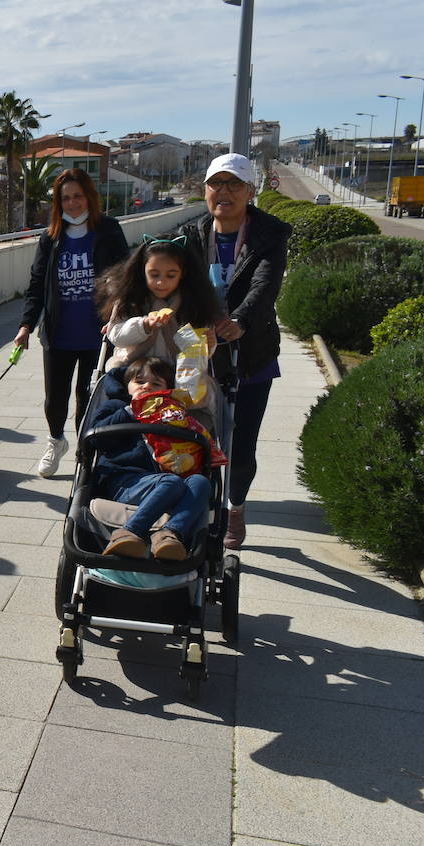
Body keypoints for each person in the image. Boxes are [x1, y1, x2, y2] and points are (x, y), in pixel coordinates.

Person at [178, 153, 291, 550]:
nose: (223, 192)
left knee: (241, 447)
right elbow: (165, 277)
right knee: (194, 439)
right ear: (205, 191)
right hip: (198, 354)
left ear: (250, 191)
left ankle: (236, 507)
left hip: (251, 353)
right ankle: (195, 508)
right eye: (216, 184)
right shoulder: (192, 234)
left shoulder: (269, 235)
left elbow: (265, 285)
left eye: (233, 184)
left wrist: (239, 321)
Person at [13, 168, 130, 478]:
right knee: (55, 398)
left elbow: (125, 274)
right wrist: (26, 325)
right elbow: (37, 284)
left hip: (99, 334)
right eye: (65, 198)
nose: (73, 203)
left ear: (89, 196)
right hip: (58, 332)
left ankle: (84, 451)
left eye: (78, 196)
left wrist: (122, 310)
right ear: (58, 202)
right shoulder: (50, 238)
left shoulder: (108, 230)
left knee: (88, 398)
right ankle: (55, 441)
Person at [93, 357, 212, 562]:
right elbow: (95, 439)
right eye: (140, 382)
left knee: (201, 481)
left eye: (156, 383)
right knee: (170, 481)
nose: (147, 386)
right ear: (126, 386)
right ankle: (129, 532)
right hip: (125, 481)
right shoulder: (116, 406)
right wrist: (131, 411)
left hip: (169, 482)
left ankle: (169, 534)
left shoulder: (174, 413)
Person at [98, 236, 220, 372]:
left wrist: (208, 344)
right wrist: (143, 325)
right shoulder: (130, 298)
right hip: (135, 372)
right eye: (154, 275)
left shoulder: (194, 302)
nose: (161, 282)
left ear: (182, 273)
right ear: (142, 270)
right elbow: (116, 336)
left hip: (178, 374)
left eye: (171, 275)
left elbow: (196, 351)